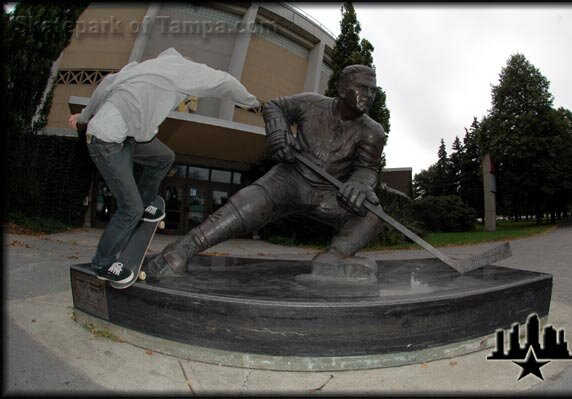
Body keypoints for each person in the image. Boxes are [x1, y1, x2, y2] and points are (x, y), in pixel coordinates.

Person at [145, 64, 386, 281]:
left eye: (372, 90)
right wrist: (279, 133)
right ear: (343, 89)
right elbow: (275, 106)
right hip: (290, 178)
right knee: (247, 204)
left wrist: (358, 183)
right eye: (362, 88)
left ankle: (335, 257)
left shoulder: (372, 131)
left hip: (328, 193)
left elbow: (368, 167)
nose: (369, 95)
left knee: (372, 213)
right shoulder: (312, 104)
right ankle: (182, 250)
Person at [68, 47, 259, 285]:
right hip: (106, 141)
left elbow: (105, 85)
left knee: (163, 157)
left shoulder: (143, 65)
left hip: (125, 137)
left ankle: (146, 203)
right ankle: (102, 263)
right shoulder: (185, 71)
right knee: (130, 209)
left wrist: (84, 116)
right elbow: (223, 81)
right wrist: (253, 103)